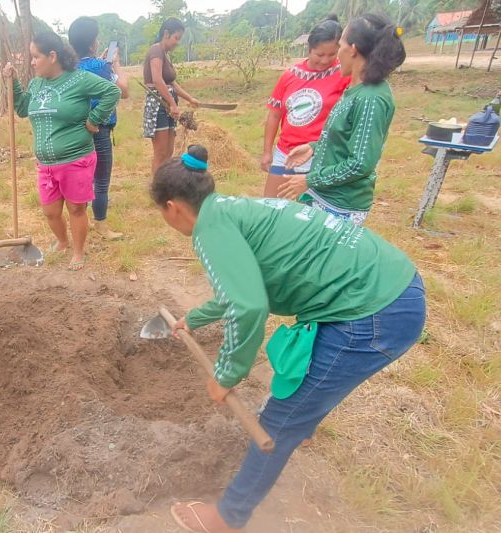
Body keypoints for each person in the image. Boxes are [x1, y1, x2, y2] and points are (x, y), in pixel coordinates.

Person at [151, 145, 426, 533]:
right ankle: (303, 424)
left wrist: (228, 372)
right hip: (391, 282)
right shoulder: (231, 208)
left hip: (374, 312)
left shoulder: (209, 230)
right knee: (303, 396)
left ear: (172, 207)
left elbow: (248, 308)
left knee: (279, 420)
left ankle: (228, 518)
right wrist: (193, 318)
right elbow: (243, 287)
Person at [4, 31, 121, 271]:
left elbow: (112, 91)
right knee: (50, 212)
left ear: (53, 56)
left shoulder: (79, 79)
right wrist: (13, 83)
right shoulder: (36, 84)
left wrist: (95, 119)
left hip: (76, 158)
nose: (32, 62)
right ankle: (62, 241)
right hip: (45, 164)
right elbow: (24, 109)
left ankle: (78, 252)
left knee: (76, 208)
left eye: (36, 57)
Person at [278, 13, 406, 225]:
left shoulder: (371, 99)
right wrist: (313, 147)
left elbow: (359, 164)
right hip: (325, 196)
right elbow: (346, 138)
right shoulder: (356, 89)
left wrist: (309, 180)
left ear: (353, 49)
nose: (337, 54)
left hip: (340, 206)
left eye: (340, 45)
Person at [262, 15, 350, 197]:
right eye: (319, 54)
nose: (325, 60)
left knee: (310, 215)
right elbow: (274, 115)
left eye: (332, 54)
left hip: (321, 156)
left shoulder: (344, 74)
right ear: (308, 49)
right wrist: (267, 152)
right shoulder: (290, 76)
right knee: (271, 208)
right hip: (285, 153)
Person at [68, 16, 129, 241]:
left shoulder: (70, 68)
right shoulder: (101, 67)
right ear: (93, 42)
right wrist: (116, 65)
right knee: (101, 180)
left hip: (74, 131)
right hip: (99, 129)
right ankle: (101, 225)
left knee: (79, 178)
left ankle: (79, 221)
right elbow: (124, 90)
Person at [142, 17, 199, 176]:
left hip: (167, 105)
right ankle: (157, 191)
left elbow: (172, 83)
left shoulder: (165, 55)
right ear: (166, 33)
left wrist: (189, 98)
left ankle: (164, 186)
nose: (177, 42)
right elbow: (157, 80)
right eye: (176, 38)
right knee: (160, 153)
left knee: (168, 151)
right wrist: (172, 104)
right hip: (158, 105)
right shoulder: (156, 50)